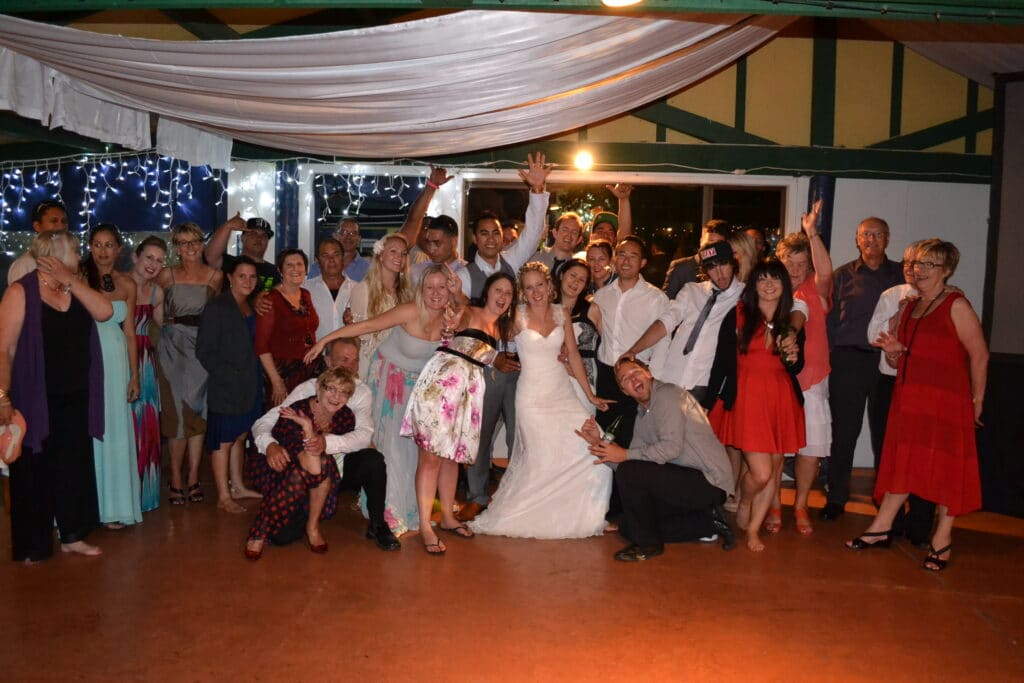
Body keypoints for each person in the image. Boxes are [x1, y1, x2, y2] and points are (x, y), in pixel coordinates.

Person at [850, 239, 988, 573]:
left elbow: (979, 354)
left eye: (929, 265)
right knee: (902, 465)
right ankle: (881, 527)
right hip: (910, 399)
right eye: (915, 264)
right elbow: (900, 360)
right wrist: (895, 351)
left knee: (947, 471)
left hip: (947, 402)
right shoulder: (909, 306)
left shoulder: (956, 305)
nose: (919, 271)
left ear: (947, 270)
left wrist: (977, 400)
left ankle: (943, 538)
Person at [306, 264, 455, 536]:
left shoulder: (452, 318)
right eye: (429, 287)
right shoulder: (410, 310)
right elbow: (367, 325)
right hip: (390, 379)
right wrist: (324, 341)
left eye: (441, 287)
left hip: (420, 387)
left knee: (413, 450)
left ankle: (414, 509)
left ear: (450, 289)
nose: (435, 293)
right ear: (421, 289)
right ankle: (387, 510)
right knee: (393, 448)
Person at [469, 263, 612, 539]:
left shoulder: (562, 314)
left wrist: (590, 394)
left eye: (540, 285)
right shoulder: (516, 316)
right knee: (542, 458)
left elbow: (572, 354)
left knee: (591, 447)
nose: (536, 292)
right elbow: (486, 331)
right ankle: (534, 513)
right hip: (531, 398)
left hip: (562, 393)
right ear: (523, 292)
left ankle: (581, 513)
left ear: (550, 286)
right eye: (529, 287)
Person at [0, 231, 112, 561]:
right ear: (55, 254)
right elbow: (3, 350)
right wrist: (3, 398)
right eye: (76, 250)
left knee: (73, 466)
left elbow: (104, 311)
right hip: (36, 396)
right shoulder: (20, 292)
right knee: (34, 470)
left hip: (76, 394)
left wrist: (68, 279)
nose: (81, 256)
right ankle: (33, 546)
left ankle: (72, 535)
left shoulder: (74, 287)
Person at [457, 153, 550, 522]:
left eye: (496, 232)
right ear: (474, 239)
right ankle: (478, 494)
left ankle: (515, 493)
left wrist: (538, 189)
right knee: (478, 437)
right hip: (484, 368)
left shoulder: (514, 261)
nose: (492, 238)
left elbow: (533, 228)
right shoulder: (463, 277)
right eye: (484, 233)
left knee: (519, 434)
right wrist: (490, 357)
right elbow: (460, 331)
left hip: (522, 366)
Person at [402, 272, 516, 554]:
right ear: (487, 291)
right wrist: (452, 302)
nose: (502, 296)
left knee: (452, 457)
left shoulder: (500, 329)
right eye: (498, 290)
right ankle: (426, 525)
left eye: (508, 293)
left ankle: (448, 518)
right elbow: (455, 311)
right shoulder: (468, 311)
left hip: (469, 392)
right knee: (431, 458)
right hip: (444, 384)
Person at [577, 358, 736, 560]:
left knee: (638, 508)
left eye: (635, 372)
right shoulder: (643, 413)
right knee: (628, 526)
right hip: (686, 481)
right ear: (625, 391)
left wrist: (624, 454)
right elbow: (630, 464)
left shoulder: (668, 395)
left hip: (711, 481)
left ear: (648, 374)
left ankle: (649, 546)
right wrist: (598, 443)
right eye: (625, 379)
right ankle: (706, 522)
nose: (632, 379)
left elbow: (670, 449)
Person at [253, 337, 400, 551]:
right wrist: (269, 445)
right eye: (343, 360)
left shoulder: (361, 392)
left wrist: (326, 443)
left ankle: (378, 525)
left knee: (373, 460)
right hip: (305, 469)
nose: (350, 366)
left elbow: (364, 435)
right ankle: (295, 516)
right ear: (328, 361)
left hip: (338, 465)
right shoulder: (309, 388)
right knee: (282, 538)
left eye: (354, 361)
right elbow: (265, 421)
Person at [708, 260, 805, 552]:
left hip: (780, 398)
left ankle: (752, 530)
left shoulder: (792, 320)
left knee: (773, 473)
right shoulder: (738, 315)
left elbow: (797, 366)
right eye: (761, 279)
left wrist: (795, 352)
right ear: (753, 286)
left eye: (775, 278)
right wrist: (710, 400)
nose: (768, 284)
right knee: (760, 473)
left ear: (784, 285)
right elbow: (721, 362)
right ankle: (745, 498)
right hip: (748, 397)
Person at [822, 217, 903, 521]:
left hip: (887, 363)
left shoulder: (901, 274)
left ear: (888, 238)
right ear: (857, 240)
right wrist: (830, 361)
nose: (871, 240)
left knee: (885, 434)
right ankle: (836, 497)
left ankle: (884, 497)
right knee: (844, 433)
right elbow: (831, 322)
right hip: (848, 362)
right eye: (865, 235)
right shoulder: (842, 275)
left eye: (878, 234)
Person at [243, 367, 359, 560]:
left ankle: (266, 531)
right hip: (280, 466)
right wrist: (306, 425)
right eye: (331, 389)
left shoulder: (345, 416)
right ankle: (305, 528)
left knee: (321, 464)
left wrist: (311, 430)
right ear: (318, 389)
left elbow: (317, 457)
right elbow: (310, 463)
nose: (336, 396)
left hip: (311, 470)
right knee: (308, 470)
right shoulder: (296, 411)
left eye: (344, 392)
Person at [865, 241, 935, 546]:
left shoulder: (940, 299)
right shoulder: (891, 295)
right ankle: (887, 522)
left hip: (922, 386)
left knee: (921, 456)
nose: (911, 268)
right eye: (907, 263)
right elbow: (874, 336)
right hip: (889, 382)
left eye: (917, 263)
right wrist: (898, 315)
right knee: (887, 452)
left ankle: (921, 523)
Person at [769, 200, 832, 535]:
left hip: (813, 380)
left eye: (801, 263)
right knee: (778, 447)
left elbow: (826, 270)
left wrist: (812, 233)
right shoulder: (770, 291)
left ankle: (802, 504)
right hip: (777, 381)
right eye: (788, 262)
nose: (794, 269)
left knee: (811, 449)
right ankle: (775, 503)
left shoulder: (817, 289)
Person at [626, 241, 743, 405]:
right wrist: (634, 350)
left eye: (723, 264)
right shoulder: (692, 290)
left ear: (733, 263)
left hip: (705, 385)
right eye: (711, 267)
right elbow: (664, 323)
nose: (719, 272)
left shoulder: (745, 296)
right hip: (671, 378)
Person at [156, 222, 223, 506]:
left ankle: (194, 476)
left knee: (199, 413)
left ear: (202, 242)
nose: (190, 247)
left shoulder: (216, 276)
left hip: (203, 350)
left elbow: (221, 314)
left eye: (194, 241)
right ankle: (175, 478)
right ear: (176, 247)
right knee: (177, 415)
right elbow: (151, 306)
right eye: (183, 243)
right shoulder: (165, 275)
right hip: (172, 349)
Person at [83, 224, 142, 530]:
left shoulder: (128, 284)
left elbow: (130, 332)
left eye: (109, 245)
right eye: (97, 244)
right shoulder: (78, 278)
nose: (103, 251)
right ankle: (86, 507)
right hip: (85, 358)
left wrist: (134, 376)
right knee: (86, 432)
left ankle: (115, 507)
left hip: (117, 358)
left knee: (116, 431)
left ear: (119, 249)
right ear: (89, 246)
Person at [196, 256, 264, 514]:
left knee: (240, 436)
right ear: (229, 278)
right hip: (226, 384)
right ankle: (223, 495)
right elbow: (204, 350)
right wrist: (226, 374)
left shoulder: (250, 306)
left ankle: (237, 486)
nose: (248, 281)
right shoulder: (218, 307)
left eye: (252, 277)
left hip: (250, 382)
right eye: (242, 276)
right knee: (223, 440)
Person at [592, 236, 669, 449]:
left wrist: (654, 381)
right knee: (602, 436)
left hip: (638, 377)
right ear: (614, 259)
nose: (625, 261)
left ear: (643, 262)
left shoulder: (656, 298)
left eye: (633, 256)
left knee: (633, 440)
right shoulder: (602, 295)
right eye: (621, 255)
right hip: (606, 376)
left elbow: (663, 342)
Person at [129, 236, 166, 512]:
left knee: (147, 428)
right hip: (118, 359)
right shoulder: (117, 284)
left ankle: (144, 496)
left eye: (160, 260)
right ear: (135, 257)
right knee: (125, 429)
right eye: (149, 257)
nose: (154, 264)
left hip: (145, 364)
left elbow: (165, 330)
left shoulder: (157, 294)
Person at [255, 249, 319, 408]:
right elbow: (260, 346)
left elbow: (308, 330)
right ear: (280, 270)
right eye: (289, 265)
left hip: (308, 370)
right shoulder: (270, 300)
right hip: (284, 373)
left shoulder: (306, 294)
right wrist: (276, 381)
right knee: (282, 421)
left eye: (299, 264)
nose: (295, 269)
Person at [346, 233, 414, 379]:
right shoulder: (363, 289)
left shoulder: (408, 292)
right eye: (393, 251)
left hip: (400, 366)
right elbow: (356, 336)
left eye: (403, 253)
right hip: (371, 365)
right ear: (381, 256)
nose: (399, 257)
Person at [556, 259, 600, 409]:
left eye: (582, 280)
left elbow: (606, 345)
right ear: (562, 275)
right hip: (552, 373)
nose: (575, 282)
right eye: (572, 275)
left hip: (583, 377)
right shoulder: (545, 308)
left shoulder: (592, 310)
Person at [204, 214, 281, 292]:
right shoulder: (230, 263)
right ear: (242, 238)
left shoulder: (275, 271)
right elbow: (210, 256)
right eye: (253, 234)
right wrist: (227, 226)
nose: (259, 238)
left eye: (264, 235)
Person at [305, 238, 355, 347]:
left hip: (349, 359)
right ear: (317, 261)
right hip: (316, 358)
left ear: (343, 258)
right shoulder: (305, 289)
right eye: (325, 255)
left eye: (336, 254)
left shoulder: (358, 289)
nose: (331, 259)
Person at [663, 219, 730, 300]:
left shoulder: (725, 269)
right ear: (701, 241)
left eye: (718, 244)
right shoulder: (680, 268)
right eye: (709, 242)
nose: (713, 248)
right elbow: (666, 301)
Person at [7, 200, 69, 285]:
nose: (61, 226)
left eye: (64, 221)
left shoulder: (70, 262)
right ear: (37, 226)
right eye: (54, 221)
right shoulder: (24, 265)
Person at [411, 214, 466, 283]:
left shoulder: (467, 273)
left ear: (454, 242)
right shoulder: (417, 272)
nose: (431, 249)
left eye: (437, 243)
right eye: (428, 242)